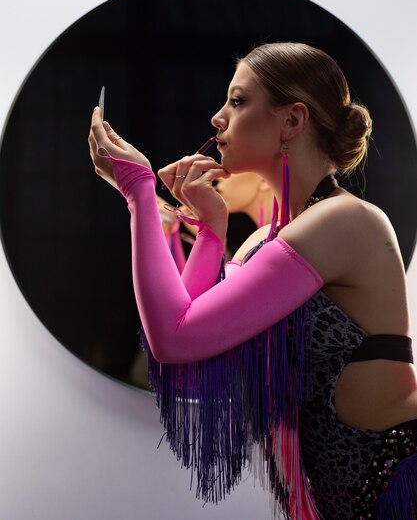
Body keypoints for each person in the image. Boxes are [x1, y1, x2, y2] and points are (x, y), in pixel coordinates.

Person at [88, 42, 417, 520]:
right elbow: (189, 342)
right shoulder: (264, 240)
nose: (218, 117)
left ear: (292, 121)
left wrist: (140, 193)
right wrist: (211, 228)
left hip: (398, 486)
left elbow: (173, 337)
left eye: (238, 101)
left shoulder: (345, 220)